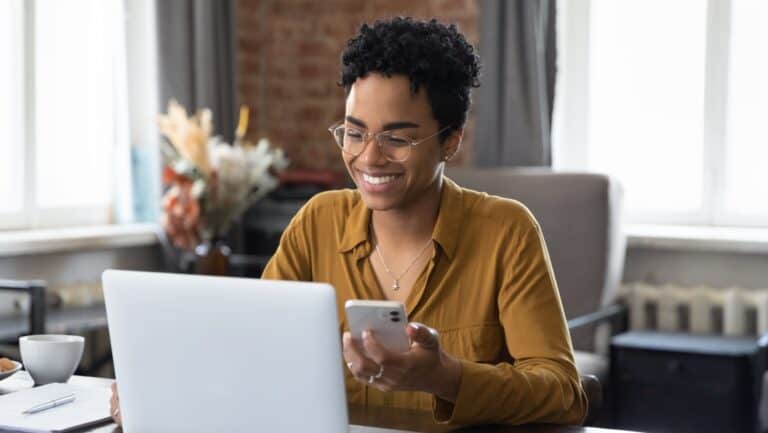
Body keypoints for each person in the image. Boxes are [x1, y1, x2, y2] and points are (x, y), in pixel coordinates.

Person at [112, 17, 587, 426]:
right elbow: (249, 350)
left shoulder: (506, 232)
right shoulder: (318, 221)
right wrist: (160, 385)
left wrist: (446, 376)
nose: (369, 157)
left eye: (397, 139)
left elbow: (564, 393)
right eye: (354, 133)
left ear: (450, 141)